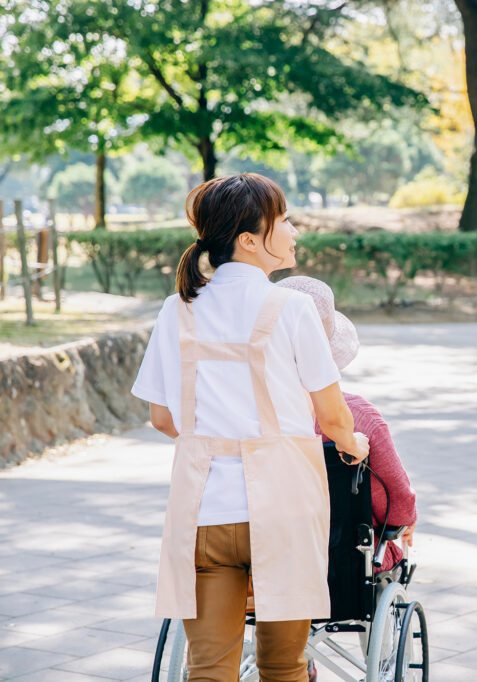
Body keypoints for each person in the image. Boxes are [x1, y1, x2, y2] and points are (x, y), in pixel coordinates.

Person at [131, 174, 370, 682]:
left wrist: (217, 437)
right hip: (284, 506)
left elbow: (161, 418)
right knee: (283, 667)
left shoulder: (178, 308)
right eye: (283, 220)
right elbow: (332, 417)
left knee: (208, 668)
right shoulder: (293, 307)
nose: (293, 229)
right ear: (248, 239)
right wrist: (355, 444)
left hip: (203, 510)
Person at [276, 276, 417, 572]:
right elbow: (396, 503)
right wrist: (405, 520)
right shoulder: (358, 415)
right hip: (341, 564)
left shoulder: (245, 413)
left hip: (268, 557)